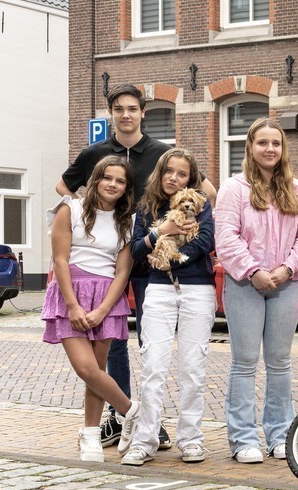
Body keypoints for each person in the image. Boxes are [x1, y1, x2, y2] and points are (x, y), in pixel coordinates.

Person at [56, 84, 217, 450]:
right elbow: (62, 187)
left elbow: (208, 192)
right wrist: (89, 217)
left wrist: (187, 228)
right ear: (111, 113)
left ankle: (151, 423)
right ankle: (121, 416)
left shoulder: (162, 154)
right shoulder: (94, 152)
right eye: (119, 109)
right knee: (113, 345)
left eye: (132, 108)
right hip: (108, 262)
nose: (125, 115)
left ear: (143, 112)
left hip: (148, 263)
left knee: (150, 344)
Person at [216, 118, 298, 464]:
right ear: (250, 146)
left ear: (282, 148)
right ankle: (243, 438)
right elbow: (226, 237)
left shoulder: (297, 189)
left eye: (276, 143)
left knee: (280, 362)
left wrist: (287, 268)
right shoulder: (234, 189)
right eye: (262, 142)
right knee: (244, 362)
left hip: (286, 284)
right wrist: (253, 270)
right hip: (244, 284)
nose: (270, 149)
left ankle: (280, 434)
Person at [41, 155, 141, 463]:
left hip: (106, 296)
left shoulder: (128, 221)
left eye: (120, 181)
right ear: (95, 179)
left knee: (96, 373)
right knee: (86, 369)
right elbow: (60, 260)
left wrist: (102, 310)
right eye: (107, 177)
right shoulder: (69, 209)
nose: (112, 184)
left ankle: (91, 436)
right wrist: (72, 305)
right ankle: (132, 411)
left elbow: (122, 272)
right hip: (70, 292)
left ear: (126, 188)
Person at [121, 148, 216, 466]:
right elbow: (136, 250)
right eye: (169, 171)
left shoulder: (200, 205)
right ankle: (145, 440)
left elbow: (206, 241)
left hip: (197, 290)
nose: (174, 178)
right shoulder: (145, 207)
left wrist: (171, 260)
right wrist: (160, 232)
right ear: (160, 172)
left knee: (192, 368)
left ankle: (191, 439)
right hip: (159, 291)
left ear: (191, 179)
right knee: (153, 367)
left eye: (182, 174)